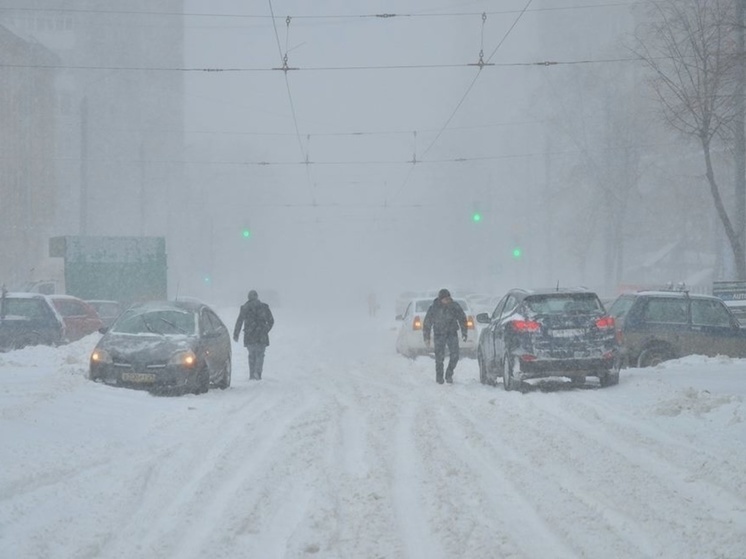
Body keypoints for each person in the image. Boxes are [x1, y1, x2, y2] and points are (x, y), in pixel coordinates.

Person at [423, 288, 468, 384]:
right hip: (439, 334)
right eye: (445, 299)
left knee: (455, 356)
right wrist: (426, 337)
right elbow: (427, 323)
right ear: (440, 299)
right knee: (439, 358)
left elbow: (462, 319)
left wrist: (464, 332)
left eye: (449, 298)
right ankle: (439, 378)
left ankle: (449, 374)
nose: (447, 301)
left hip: (452, 333)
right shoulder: (434, 308)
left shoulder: (454, 306)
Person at [233, 290, 274, 380]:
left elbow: (239, 321)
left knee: (251, 355)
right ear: (257, 296)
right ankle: (258, 373)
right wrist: (266, 330)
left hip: (250, 335)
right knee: (260, 354)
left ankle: (252, 374)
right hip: (261, 336)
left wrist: (236, 334)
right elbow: (271, 321)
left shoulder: (245, 308)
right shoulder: (264, 307)